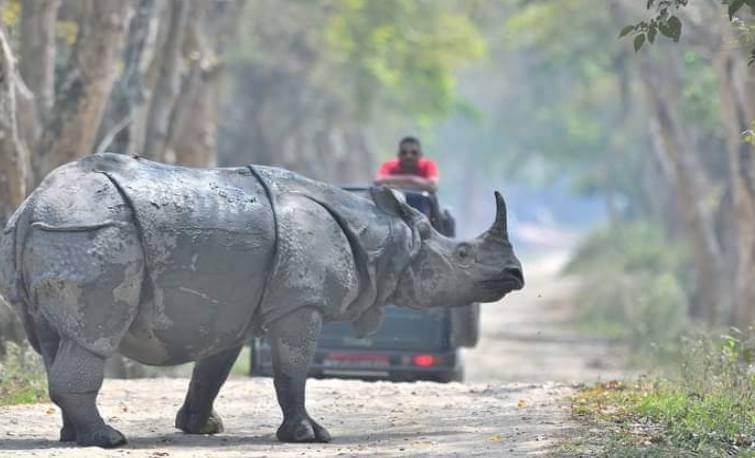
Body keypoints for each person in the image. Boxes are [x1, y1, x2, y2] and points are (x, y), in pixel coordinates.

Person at [374, 137, 439, 193]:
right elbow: (377, 181)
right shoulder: (389, 166)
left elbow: (432, 184)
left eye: (414, 153)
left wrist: (410, 180)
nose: (408, 156)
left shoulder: (428, 165)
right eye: (404, 153)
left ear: (420, 155)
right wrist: (415, 182)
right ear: (398, 155)